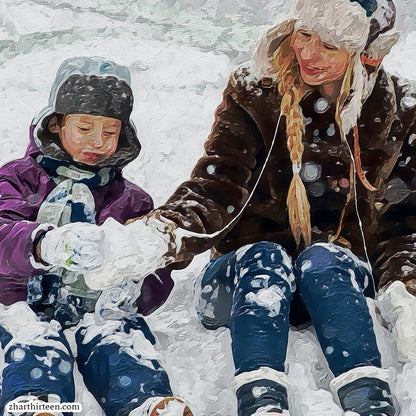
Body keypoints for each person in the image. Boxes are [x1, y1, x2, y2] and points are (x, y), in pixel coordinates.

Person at [40, 0, 415, 414]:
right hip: (241, 284)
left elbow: (404, 222)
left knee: (326, 258)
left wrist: (406, 292)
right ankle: (261, 400)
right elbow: (216, 187)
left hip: (334, 290)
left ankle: (369, 400)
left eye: (329, 45)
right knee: (265, 256)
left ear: (364, 53)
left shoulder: (400, 110)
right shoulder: (257, 91)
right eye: (304, 34)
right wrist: (161, 234)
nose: (308, 53)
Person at [0, 57, 193, 416]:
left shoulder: (131, 200)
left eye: (109, 131)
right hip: (19, 304)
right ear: (56, 125)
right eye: (85, 127)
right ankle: (36, 405)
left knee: (118, 340)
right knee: (35, 345)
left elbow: (155, 269)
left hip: (94, 309)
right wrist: (44, 244)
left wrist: (137, 288)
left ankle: (145, 403)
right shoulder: (18, 178)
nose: (97, 141)